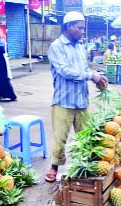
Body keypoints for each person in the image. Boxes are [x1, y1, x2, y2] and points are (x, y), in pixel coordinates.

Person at [45, 11, 108, 182]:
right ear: (69, 26)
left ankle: (86, 165)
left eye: (83, 28)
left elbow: (83, 70)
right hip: (63, 100)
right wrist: (90, 76)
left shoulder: (80, 46)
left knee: (85, 136)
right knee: (60, 137)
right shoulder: (56, 47)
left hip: (81, 100)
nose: (82, 31)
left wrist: (96, 79)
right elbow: (64, 71)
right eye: (79, 28)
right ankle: (53, 168)